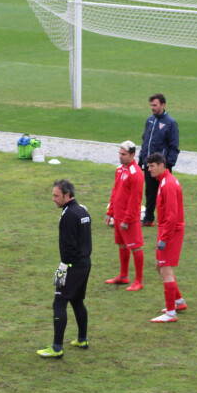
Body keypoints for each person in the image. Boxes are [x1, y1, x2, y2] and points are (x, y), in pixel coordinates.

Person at [37, 180, 91, 359]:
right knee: (77, 301)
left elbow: (68, 245)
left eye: (56, 196)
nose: (53, 199)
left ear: (67, 196)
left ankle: (57, 347)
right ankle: (82, 339)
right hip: (85, 263)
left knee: (59, 303)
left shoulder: (68, 215)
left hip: (73, 266)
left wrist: (63, 267)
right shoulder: (82, 210)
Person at [146, 153, 187, 323]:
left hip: (170, 232)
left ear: (162, 165)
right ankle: (178, 302)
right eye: (148, 166)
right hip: (168, 231)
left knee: (165, 269)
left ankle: (170, 313)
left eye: (152, 166)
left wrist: (164, 238)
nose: (149, 170)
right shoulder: (165, 181)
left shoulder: (168, 184)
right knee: (159, 265)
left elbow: (171, 215)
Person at [104, 141, 145, 291]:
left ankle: (139, 281)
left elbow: (135, 200)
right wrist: (110, 212)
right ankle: (123, 276)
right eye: (119, 154)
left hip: (129, 217)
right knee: (121, 245)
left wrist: (127, 219)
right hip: (118, 215)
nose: (120, 157)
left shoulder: (137, 174)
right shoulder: (120, 170)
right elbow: (115, 191)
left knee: (135, 246)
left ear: (132, 155)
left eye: (124, 154)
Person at [138, 93, 179, 227]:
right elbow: (145, 141)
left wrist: (168, 164)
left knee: (165, 194)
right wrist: (141, 159)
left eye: (155, 105)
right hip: (149, 166)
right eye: (151, 105)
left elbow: (174, 146)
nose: (152, 108)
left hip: (163, 168)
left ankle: (170, 219)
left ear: (163, 105)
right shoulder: (150, 120)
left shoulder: (170, 123)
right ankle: (149, 219)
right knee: (150, 192)